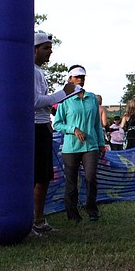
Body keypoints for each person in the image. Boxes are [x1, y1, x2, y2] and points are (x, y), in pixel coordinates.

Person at [32, 31, 76, 236]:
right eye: (46, 48)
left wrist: (50, 117)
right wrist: (63, 93)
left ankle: (37, 219)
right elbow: (34, 102)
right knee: (41, 177)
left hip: (41, 127)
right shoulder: (32, 71)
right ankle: (36, 221)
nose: (50, 52)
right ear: (34, 50)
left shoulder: (38, 71)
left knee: (43, 176)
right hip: (35, 129)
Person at [53, 65, 106, 222]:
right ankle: (73, 214)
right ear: (70, 79)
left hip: (91, 146)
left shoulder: (92, 99)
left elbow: (97, 124)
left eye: (82, 77)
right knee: (71, 182)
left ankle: (92, 209)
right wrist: (73, 129)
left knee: (91, 178)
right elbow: (57, 124)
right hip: (71, 148)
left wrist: (101, 143)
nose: (80, 80)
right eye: (76, 77)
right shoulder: (65, 100)